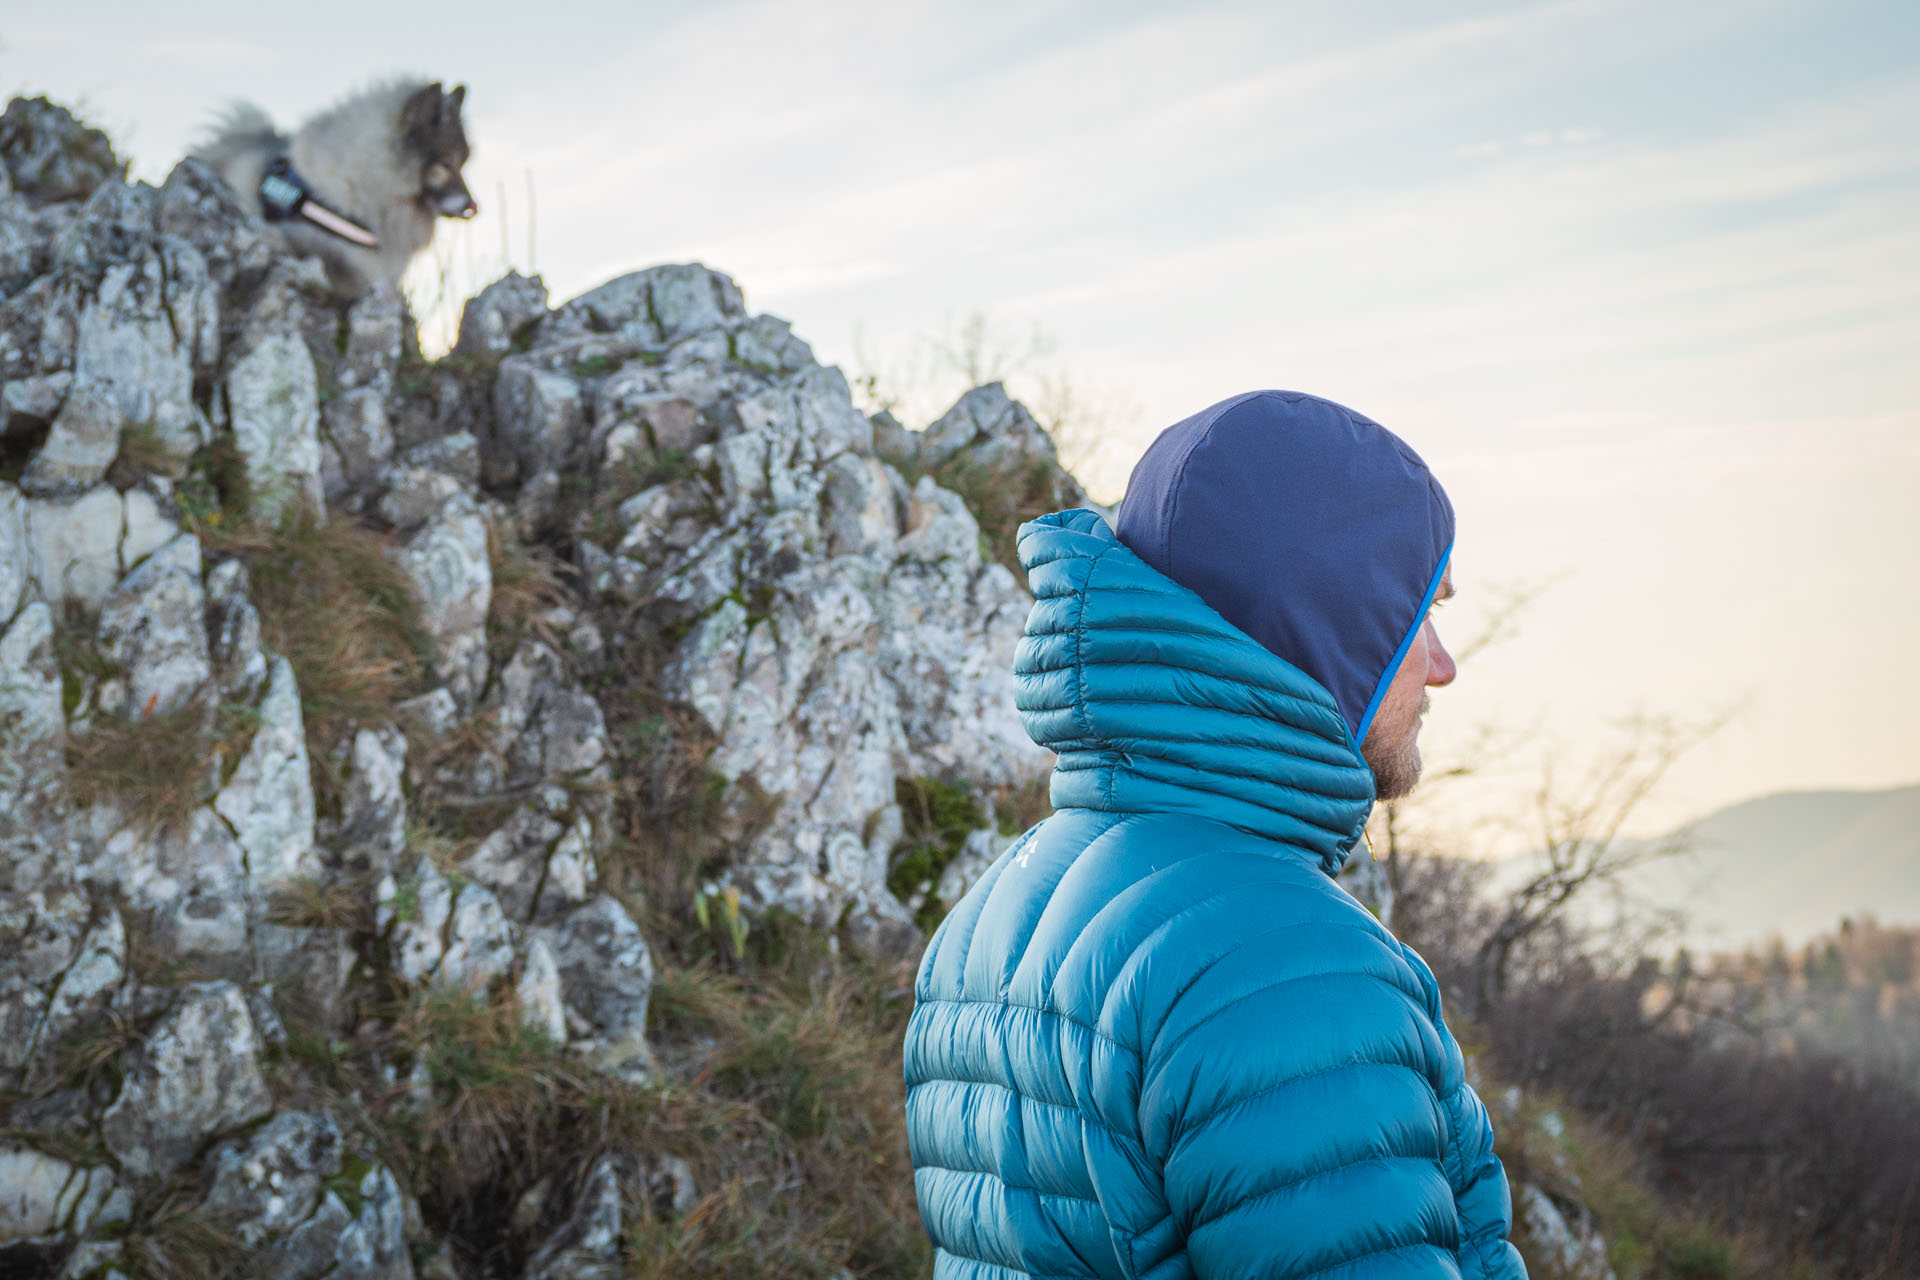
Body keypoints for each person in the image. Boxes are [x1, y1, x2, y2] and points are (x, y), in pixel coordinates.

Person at [903, 390, 1528, 1279]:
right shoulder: (1288, 969)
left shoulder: (986, 918)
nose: (1443, 664)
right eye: (1420, 612)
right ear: (1330, 626)